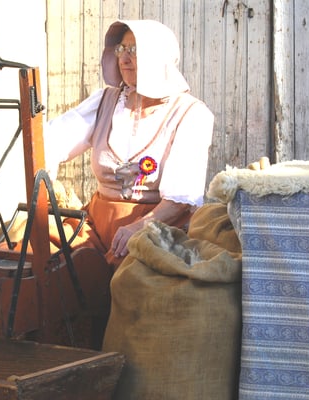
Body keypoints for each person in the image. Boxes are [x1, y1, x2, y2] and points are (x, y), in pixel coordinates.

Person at [44, 19, 214, 268]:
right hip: (97, 228)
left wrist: (138, 227)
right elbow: (52, 140)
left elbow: (180, 201)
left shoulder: (190, 114)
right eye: (121, 49)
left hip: (156, 232)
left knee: (128, 279)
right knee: (32, 248)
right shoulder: (105, 101)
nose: (123, 58)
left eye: (134, 50)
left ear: (159, 56)